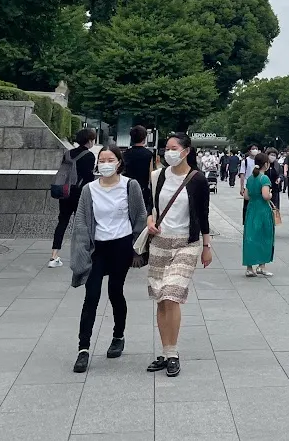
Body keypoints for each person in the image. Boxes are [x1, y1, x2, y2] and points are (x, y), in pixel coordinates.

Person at [69, 146, 146, 373]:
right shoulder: (89, 190)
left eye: (110, 159)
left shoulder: (130, 186)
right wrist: (81, 252)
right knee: (91, 294)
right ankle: (83, 349)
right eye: (102, 160)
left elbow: (139, 216)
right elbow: (81, 223)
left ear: (119, 162)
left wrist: (137, 251)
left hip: (121, 245)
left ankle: (118, 335)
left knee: (115, 290)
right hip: (97, 247)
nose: (105, 163)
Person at [145, 133, 213, 378]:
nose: (168, 152)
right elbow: (149, 205)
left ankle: (172, 353)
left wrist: (206, 246)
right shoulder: (157, 176)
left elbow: (203, 214)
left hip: (186, 243)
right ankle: (164, 351)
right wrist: (150, 220)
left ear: (186, 151)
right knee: (161, 298)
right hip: (160, 242)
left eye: (174, 148)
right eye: (167, 148)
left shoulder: (197, 180)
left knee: (172, 294)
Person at [49, 128, 98, 268]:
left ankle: (54, 256)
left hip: (65, 192)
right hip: (79, 193)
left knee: (62, 222)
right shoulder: (89, 156)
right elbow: (89, 178)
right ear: (89, 141)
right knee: (82, 225)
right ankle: (83, 255)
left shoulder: (68, 153)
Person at [242, 152, 276, 277]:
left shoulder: (251, 178)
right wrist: (271, 195)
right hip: (262, 210)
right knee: (265, 237)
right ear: (266, 164)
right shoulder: (264, 178)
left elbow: (246, 196)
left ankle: (249, 267)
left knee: (250, 236)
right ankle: (262, 266)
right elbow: (266, 195)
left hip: (251, 209)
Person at [123, 125, 154, 211]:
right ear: (144, 138)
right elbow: (151, 174)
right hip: (142, 189)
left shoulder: (126, 153)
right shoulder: (149, 154)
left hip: (126, 188)